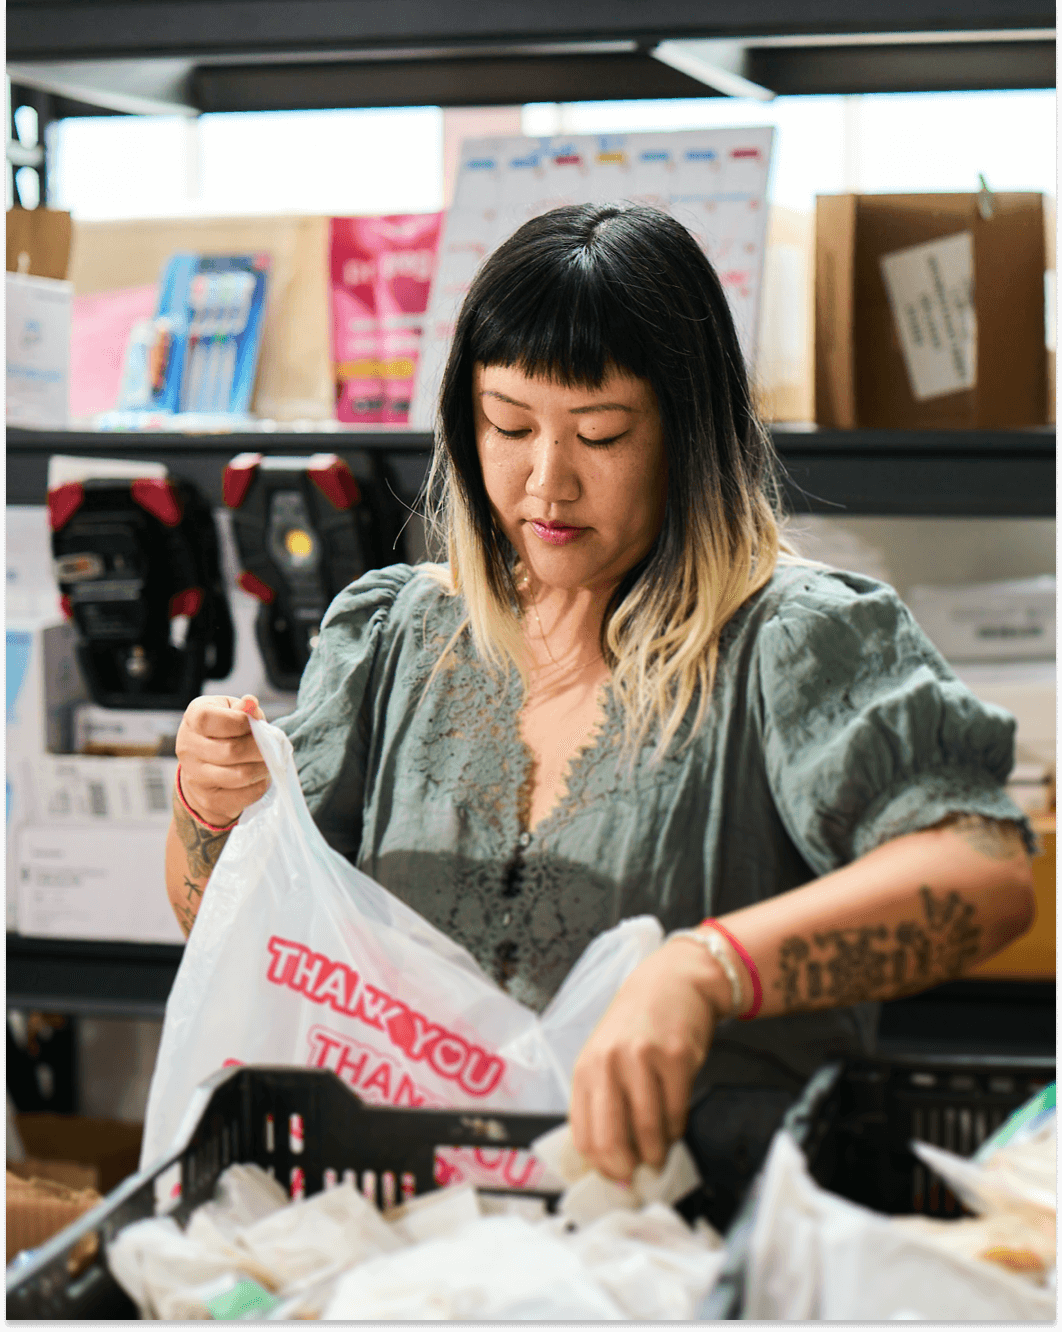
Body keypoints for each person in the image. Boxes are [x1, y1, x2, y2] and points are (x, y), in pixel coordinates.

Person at [167, 203, 1035, 1184]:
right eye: (508, 425)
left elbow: (985, 873)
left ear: (688, 436)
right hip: (420, 1235)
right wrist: (213, 804)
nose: (547, 482)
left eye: (602, 434)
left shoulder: (794, 642)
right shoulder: (395, 639)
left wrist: (706, 970)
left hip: (692, 1235)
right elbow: (231, 924)